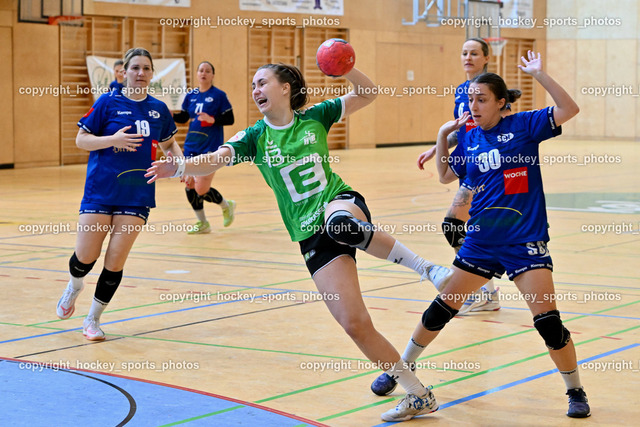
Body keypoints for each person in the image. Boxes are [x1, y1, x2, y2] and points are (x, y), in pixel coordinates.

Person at [146, 62, 453, 422]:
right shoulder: (255, 137)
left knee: (340, 224)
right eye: (253, 85)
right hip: (308, 235)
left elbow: (368, 93)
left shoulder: (316, 116)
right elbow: (216, 159)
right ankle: (419, 395)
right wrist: (179, 168)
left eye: (262, 83)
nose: (256, 90)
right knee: (354, 324)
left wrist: (348, 69)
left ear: (285, 88)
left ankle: (428, 269)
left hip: (339, 202)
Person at [383, 51, 589, 420]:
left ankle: (575, 389)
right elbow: (447, 177)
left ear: (501, 103)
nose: (473, 106)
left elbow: (569, 108)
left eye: (481, 100)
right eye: (470, 100)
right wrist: (444, 134)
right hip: (481, 241)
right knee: (442, 308)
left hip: (524, 241)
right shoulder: (470, 136)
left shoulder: (525, 126)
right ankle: (398, 370)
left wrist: (539, 74)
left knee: (548, 323)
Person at [56, 48, 183, 341]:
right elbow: (81, 139)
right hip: (100, 191)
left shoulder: (159, 109)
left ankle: (92, 320)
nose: (141, 73)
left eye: (146, 68)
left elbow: (170, 145)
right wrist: (112, 140)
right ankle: (75, 285)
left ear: (152, 74)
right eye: (135, 67)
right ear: (124, 72)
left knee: (115, 261)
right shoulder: (107, 102)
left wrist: (180, 166)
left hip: (137, 194)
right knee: (86, 257)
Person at [417, 38, 502, 314]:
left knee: (455, 225)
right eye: (464, 52)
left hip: (485, 165)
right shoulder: (461, 91)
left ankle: (479, 290)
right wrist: (436, 147)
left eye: (474, 53)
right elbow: (461, 129)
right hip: (467, 161)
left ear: (486, 57)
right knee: (464, 228)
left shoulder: (490, 86)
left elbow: (503, 127)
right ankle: (485, 292)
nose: (468, 57)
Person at [172, 61, 235, 234]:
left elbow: (230, 119)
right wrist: (171, 115)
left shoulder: (219, 95)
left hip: (211, 147)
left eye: (208, 71)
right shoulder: (191, 95)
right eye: (201, 70)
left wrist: (212, 119)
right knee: (190, 185)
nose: (204, 73)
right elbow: (184, 117)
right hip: (192, 145)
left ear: (212, 75)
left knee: (202, 188)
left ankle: (226, 205)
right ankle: (203, 223)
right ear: (197, 74)